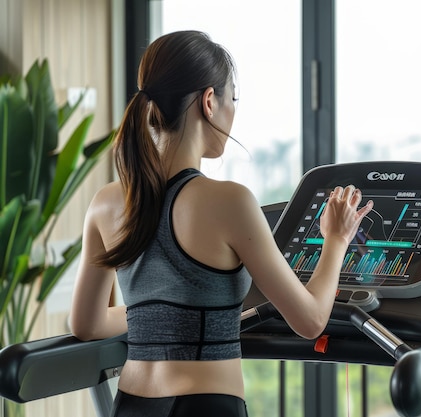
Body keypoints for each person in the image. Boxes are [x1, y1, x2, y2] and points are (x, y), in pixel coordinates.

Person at [69, 30, 373, 417]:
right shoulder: (230, 202)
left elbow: (87, 323)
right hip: (205, 408)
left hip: (129, 405)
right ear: (209, 102)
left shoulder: (106, 202)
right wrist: (336, 238)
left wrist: (162, 317)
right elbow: (311, 319)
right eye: (233, 98)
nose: (233, 112)